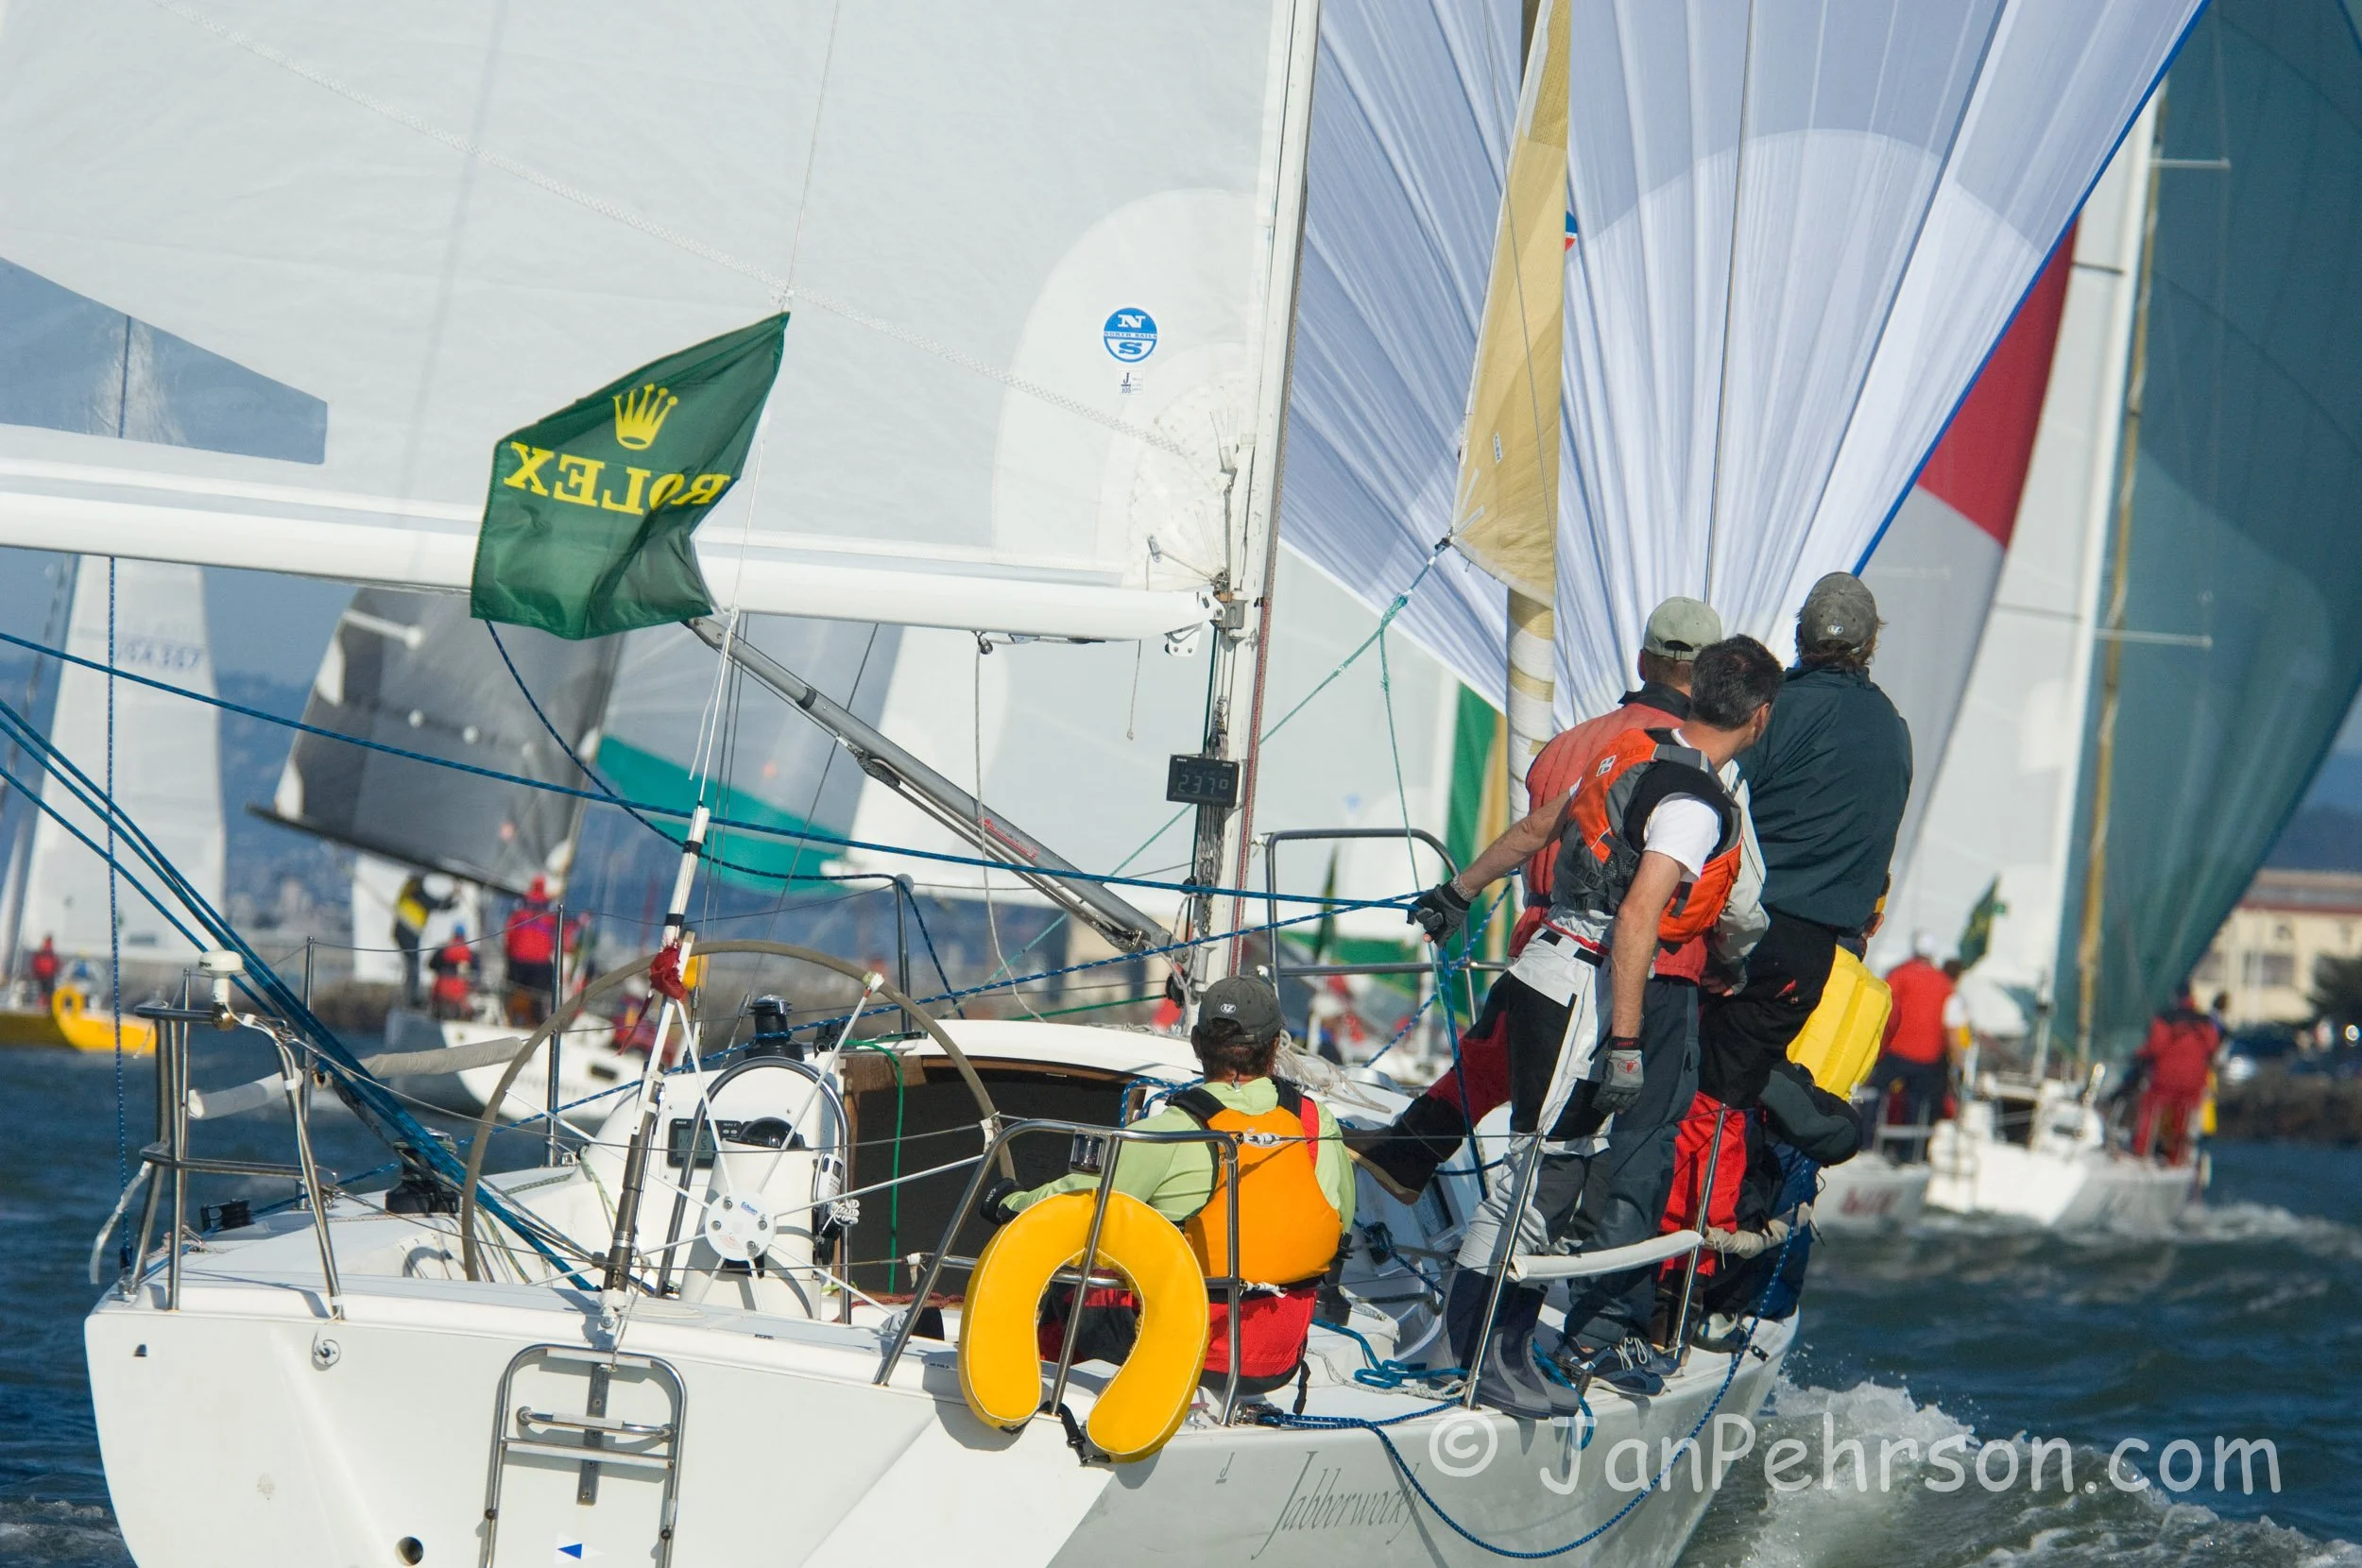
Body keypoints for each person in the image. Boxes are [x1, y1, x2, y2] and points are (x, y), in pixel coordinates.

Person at [1403, 637, 1784, 1414]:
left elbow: (1543, 824)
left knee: (1539, 1166)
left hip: (1548, 965)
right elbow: (1641, 917)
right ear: (1761, 717)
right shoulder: (1695, 803)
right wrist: (1628, 1045)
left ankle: (1471, 1343)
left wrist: (1461, 889)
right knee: (1548, 1174)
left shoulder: (1633, 746)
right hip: (1584, 986)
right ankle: (1488, 1350)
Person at [1345, 595, 1731, 1202]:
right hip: (1628, 957)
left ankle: (1409, 1154)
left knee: (1494, 1052)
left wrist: (1459, 891)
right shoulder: (1691, 761)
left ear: (1641, 661)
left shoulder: (1568, 744)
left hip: (1541, 932)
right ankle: (1570, 1248)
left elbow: (1532, 831)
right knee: (1600, 1124)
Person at [983, 976, 1353, 1396]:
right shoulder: (1316, 1124)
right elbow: (1339, 1223)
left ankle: (1027, 1397)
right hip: (1275, 1357)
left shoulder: (1171, 1133)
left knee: (1069, 1288)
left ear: (1196, 1043)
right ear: (1274, 1047)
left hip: (1182, 1348)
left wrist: (1006, 1202)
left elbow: (1075, 1205)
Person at [1870, 932, 1960, 1161]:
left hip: (1895, 1050)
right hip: (1928, 1057)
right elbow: (1950, 1022)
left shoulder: (1900, 974)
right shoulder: (1944, 984)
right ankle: (1909, 1154)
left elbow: (1883, 1005)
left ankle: (1866, 1143)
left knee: (1875, 1094)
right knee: (1917, 1105)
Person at [2131, 984, 2217, 1164]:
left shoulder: (2164, 1020)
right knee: (2183, 1120)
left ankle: (2141, 1152)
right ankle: (2176, 1158)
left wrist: (2138, 1053)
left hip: (2166, 1077)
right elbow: (2212, 1047)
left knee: (2151, 1111)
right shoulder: (2205, 1023)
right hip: (2193, 1080)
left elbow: (2155, 1046)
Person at [391, 873, 456, 1008]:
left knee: (412, 965)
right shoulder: (418, 894)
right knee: (413, 964)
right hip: (408, 930)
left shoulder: (413, 889)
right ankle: (412, 999)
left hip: (403, 930)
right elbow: (438, 905)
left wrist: (451, 898)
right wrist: (454, 900)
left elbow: (436, 904)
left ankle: (411, 998)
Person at [504, 877, 561, 1027]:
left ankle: (510, 1017)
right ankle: (537, 1022)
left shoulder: (520, 903)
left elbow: (509, 930)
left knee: (513, 990)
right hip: (539, 960)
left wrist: (509, 953)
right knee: (538, 995)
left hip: (517, 957)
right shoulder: (551, 906)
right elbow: (557, 932)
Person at [428, 927, 476, 1020]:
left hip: (442, 987)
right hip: (459, 990)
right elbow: (476, 970)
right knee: (458, 1015)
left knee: (437, 1015)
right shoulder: (469, 953)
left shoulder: (443, 949)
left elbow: (431, 965)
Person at [27, 935, 60, 1006]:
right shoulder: (49, 952)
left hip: (42, 975)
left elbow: (35, 963)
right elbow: (56, 963)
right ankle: (46, 1005)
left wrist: (35, 973)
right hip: (47, 975)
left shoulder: (42, 951)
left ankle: (42, 1005)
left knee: (43, 992)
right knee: (47, 992)